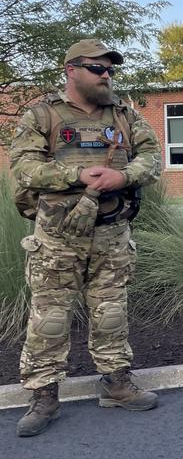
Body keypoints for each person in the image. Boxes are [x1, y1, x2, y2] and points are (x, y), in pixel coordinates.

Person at [10, 39, 161, 437]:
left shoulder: (125, 115)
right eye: (98, 68)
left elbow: (152, 156)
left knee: (111, 311)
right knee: (50, 318)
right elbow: (24, 167)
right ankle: (43, 395)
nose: (106, 75)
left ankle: (116, 383)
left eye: (110, 70)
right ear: (72, 70)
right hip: (57, 238)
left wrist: (122, 176)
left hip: (112, 233)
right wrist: (76, 176)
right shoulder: (42, 114)